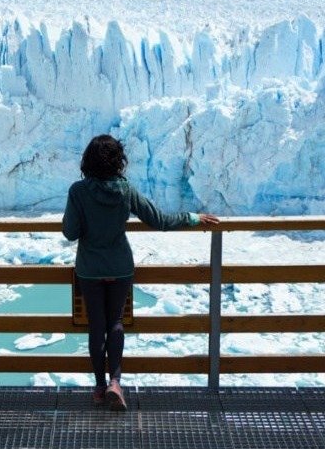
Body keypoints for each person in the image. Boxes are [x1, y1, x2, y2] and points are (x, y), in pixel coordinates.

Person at [62, 134, 219, 411]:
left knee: (97, 327)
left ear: (88, 160)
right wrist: (193, 218)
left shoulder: (78, 191)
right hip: (120, 267)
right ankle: (115, 382)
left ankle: (99, 388)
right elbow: (158, 219)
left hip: (90, 269)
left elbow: (70, 232)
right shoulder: (126, 190)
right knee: (115, 323)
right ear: (117, 161)